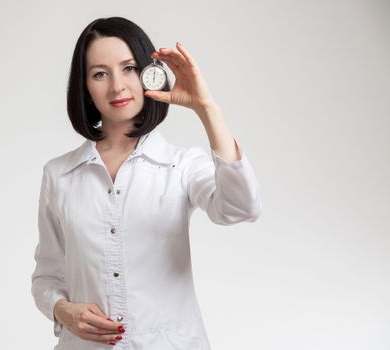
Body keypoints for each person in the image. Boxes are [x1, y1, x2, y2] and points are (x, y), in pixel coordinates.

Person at [31, 16, 262, 350]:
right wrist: (64, 311)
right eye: (99, 74)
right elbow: (47, 276)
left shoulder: (181, 166)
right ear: (85, 87)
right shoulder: (59, 175)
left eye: (128, 68)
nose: (117, 86)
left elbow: (242, 208)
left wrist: (206, 108)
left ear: (148, 73)